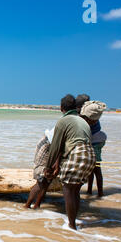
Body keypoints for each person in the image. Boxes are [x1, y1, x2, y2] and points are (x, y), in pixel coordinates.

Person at [44, 95, 96, 230]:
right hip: (90, 155)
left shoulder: (63, 121)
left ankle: (72, 226)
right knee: (75, 190)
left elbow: (55, 146)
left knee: (67, 190)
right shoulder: (82, 121)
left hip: (77, 153)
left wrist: (48, 167)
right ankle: (74, 220)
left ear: (62, 108)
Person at [25, 128, 60, 209]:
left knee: (46, 181)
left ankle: (36, 206)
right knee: (41, 181)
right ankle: (27, 206)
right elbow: (58, 150)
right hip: (48, 144)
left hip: (49, 143)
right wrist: (56, 165)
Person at [79, 101, 108, 197]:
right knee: (91, 170)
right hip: (98, 140)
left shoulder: (90, 118)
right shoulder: (94, 116)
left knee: (96, 169)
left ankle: (100, 193)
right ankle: (89, 190)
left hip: (95, 142)